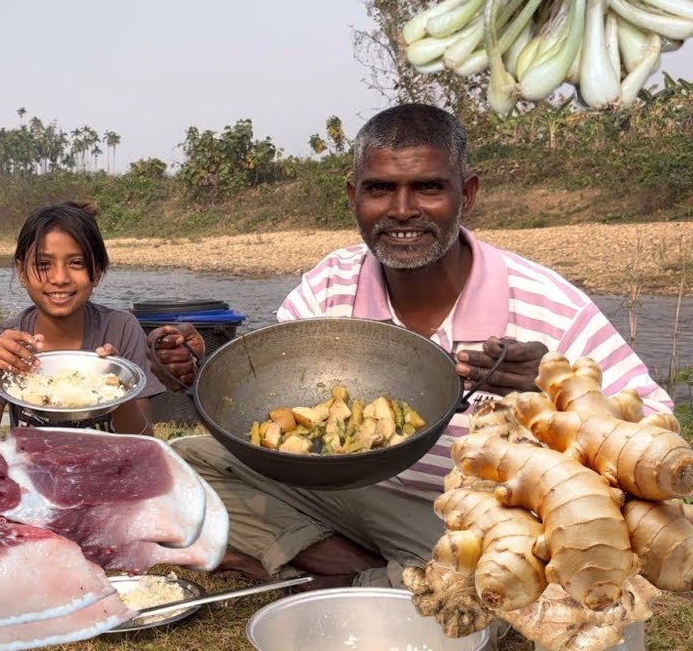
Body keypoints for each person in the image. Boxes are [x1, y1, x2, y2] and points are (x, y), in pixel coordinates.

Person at [147, 103, 675, 591]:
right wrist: (199, 367)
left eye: (427, 188)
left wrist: (559, 388)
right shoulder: (332, 282)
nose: (401, 210)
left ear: (467, 194)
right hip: (347, 495)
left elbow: (656, 434)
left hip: (478, 517)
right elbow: (271, 385)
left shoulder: (546, 302)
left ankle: (376, 579)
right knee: (185, 463)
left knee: (488, 586)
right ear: (353, 195)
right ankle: (358, 569)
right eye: (380, 189)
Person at [0, 201, 165, 437]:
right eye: (44, 264)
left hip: (106, 459)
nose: (60, 278)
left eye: (76, 263)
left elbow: (143, 439)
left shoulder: (121, 329)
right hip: (29, 459)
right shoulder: (2, 342)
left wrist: (119, 384)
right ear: (21, 272)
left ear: (97, 271)